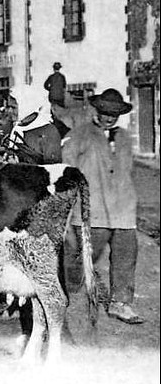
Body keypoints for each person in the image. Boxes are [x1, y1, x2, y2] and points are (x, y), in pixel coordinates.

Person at [62, 88, 143, 325]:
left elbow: (128, 171)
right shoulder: (79, 134)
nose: (109, 117)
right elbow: (67, 169)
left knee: (125, 258)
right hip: (92, 210)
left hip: (124, 210)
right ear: (97, 110)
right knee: (77, 260)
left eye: (114, 114)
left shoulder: (126, 138)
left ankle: (121, 303)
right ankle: (59, 296)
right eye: (106, 112)